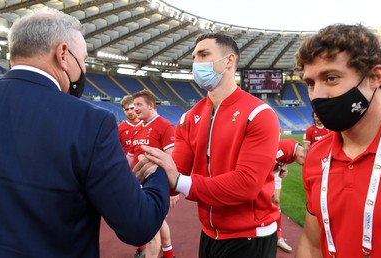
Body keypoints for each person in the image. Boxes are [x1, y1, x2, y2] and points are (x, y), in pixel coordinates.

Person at [0, 8, 170, 257]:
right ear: (63, 54)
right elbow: (138, 225)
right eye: (82, 60)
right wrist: (156, 174)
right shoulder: (91, 122)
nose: (83, 68)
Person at [141, 32, 280, 258]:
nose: (196, 63)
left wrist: (178, 179)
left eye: (204, 55)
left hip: (251, 236)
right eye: (194, 57)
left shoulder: (259, 114)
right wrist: (146, 175)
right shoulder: (189, 117)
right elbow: (175, 174)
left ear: (229, 60)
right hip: (209, 233)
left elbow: (247, 184)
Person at [294, 24, 381, 257]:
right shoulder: (316, 156)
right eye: (311, 84)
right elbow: (312, 245)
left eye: (331, 78)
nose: (318, 95)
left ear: (374, 77)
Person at [127, 89, 177, 258]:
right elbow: (130, 157)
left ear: (151, 105)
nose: (135, 109)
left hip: (156, 186)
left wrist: (172, 190)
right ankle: (169, 255)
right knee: (157, 223)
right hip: (138, 185)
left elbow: (172, 159)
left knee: (150, 227)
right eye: (134, 106)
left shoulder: (165, 126)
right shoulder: (137, 129)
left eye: (139, 105)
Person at [273, 138, 305, 253]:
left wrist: (284, 169)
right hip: (266, 171)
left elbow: (283, 162)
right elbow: (267, 162)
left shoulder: (295, 153)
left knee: (276, 202)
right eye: (303, 164)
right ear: (302, 156)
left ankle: (278, 236)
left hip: (274, 172)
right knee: (263, 201)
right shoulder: (286, 148)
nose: (301, 165)